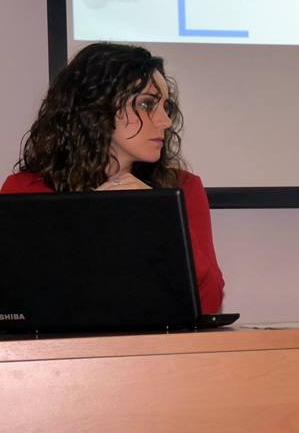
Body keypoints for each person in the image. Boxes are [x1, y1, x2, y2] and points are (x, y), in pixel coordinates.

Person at [1, 42, 225, 313]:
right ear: (96, 108)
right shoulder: (25, 191)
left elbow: (209, 303)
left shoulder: (183, 188)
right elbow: (17, 302)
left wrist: (160, 216)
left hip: (156, 341)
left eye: (166, 107)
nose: (165, 121)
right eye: (147, 104)